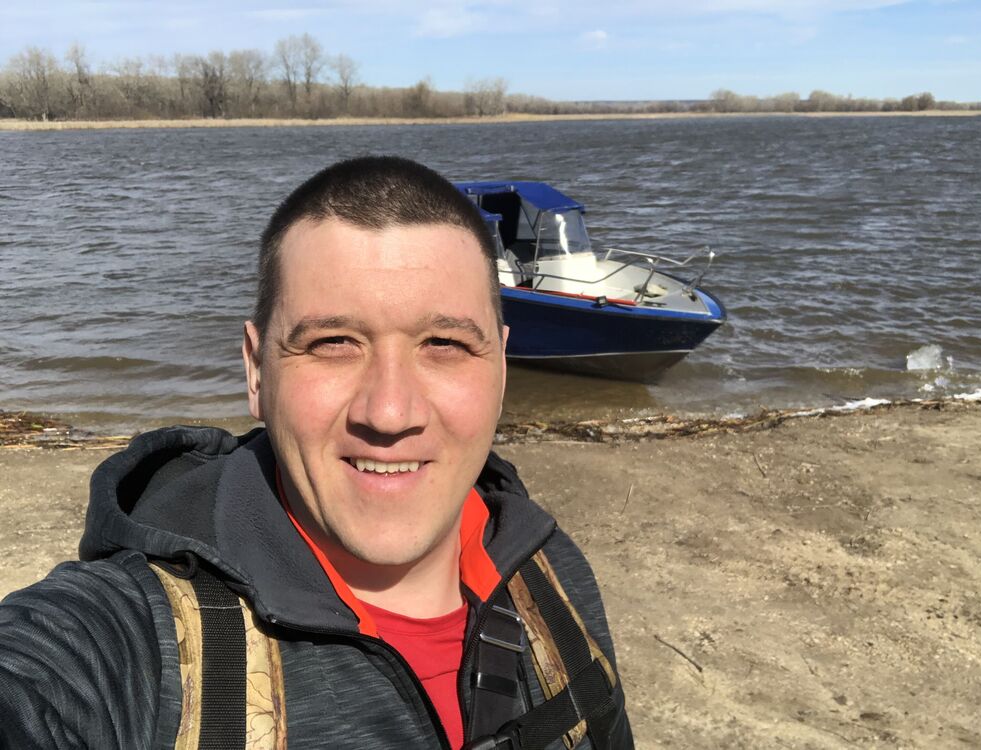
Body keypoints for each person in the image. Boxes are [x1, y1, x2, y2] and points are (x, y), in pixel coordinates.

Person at [0, 156, 632, 749]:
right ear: (256, 371)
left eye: (444, 344)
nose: (390, 413)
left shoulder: (549, 570)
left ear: (501, 366)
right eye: (333, 343)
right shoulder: (126, 638)